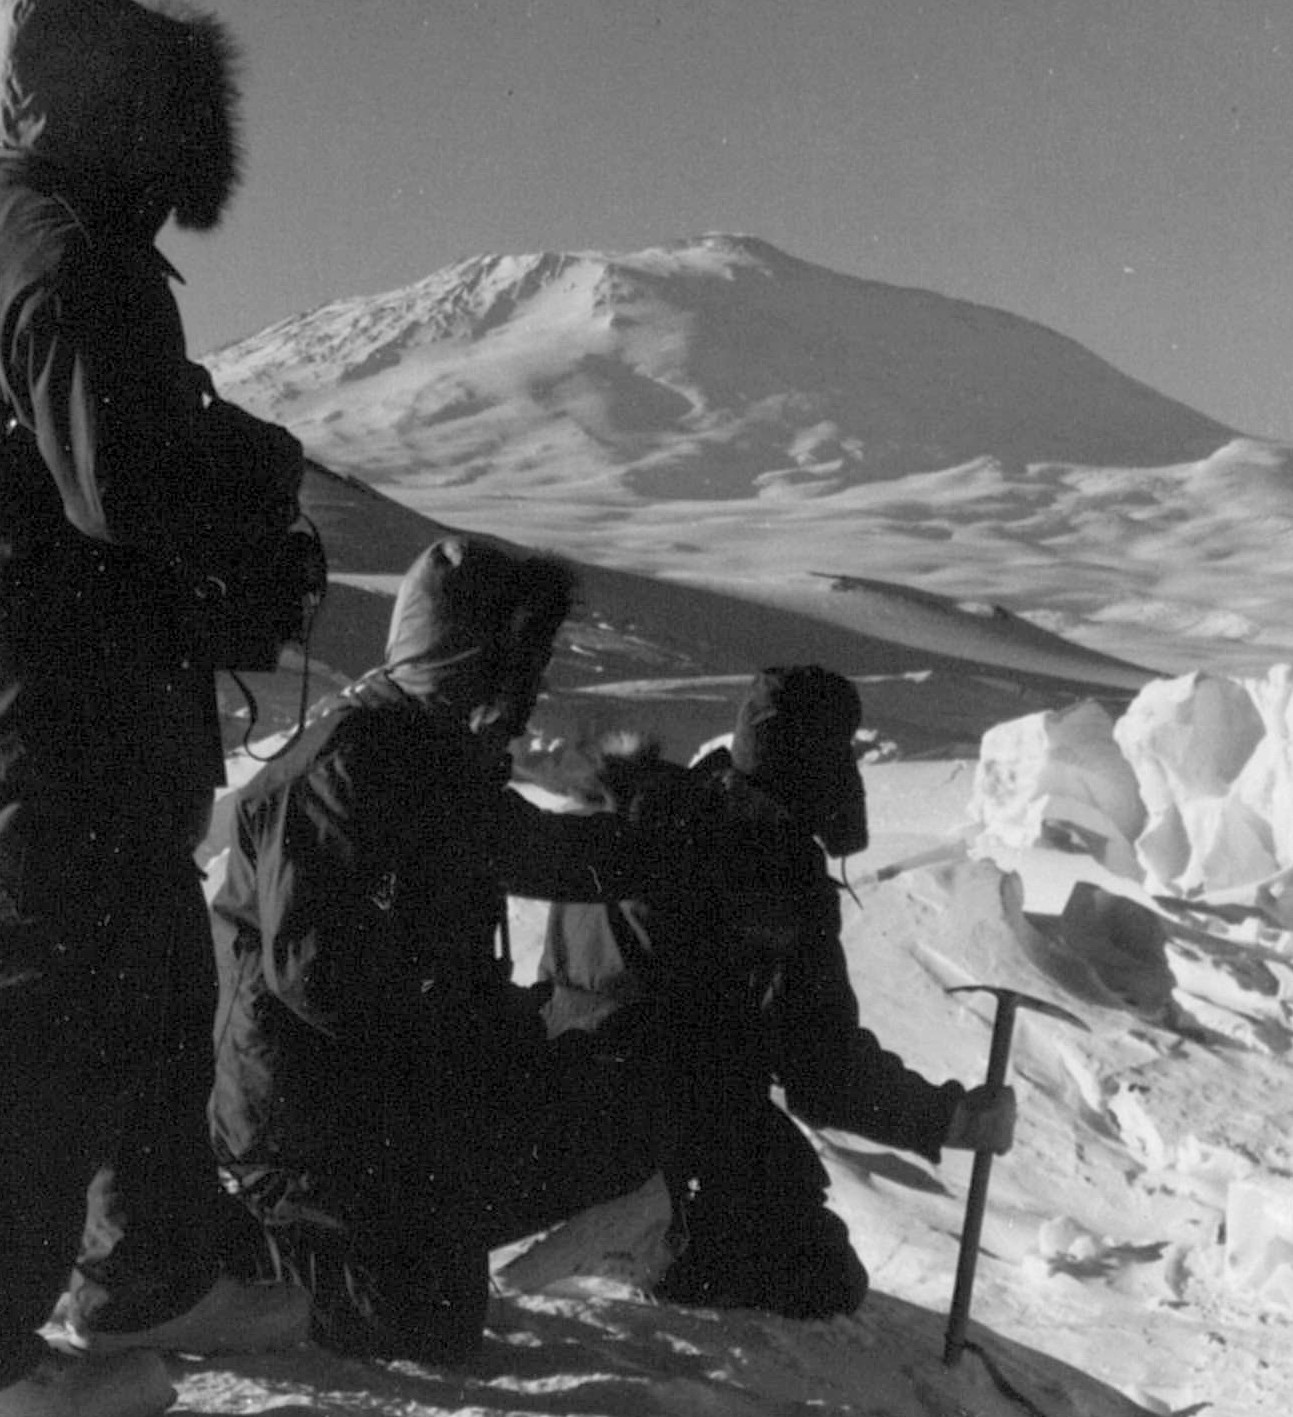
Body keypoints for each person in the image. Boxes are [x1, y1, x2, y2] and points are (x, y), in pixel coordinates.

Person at [0, 0, 313, 1417]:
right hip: (59, 704)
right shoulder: (56, 242)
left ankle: (152, 1277)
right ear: (110, 104)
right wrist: (254, 490)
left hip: (26, 692)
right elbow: (128, 475)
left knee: (148, 987)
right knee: (34, 1001)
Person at [212, 542, 878, 1363]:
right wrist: (474, 1046)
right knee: (425, 1321)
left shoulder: (426, 757)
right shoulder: (351, 767)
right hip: (308, 1126)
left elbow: (545, 854)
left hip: (380, 1100)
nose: (530, 701)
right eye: (522, 670)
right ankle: (218, 1252)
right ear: (468, 662)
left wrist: (681, 847)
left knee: (623, 1096)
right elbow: (321, 983)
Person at [549, 668, 1014, 1318]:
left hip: (555, 1098)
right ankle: (659, 1232)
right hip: (668, 1111)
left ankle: (628, 1207)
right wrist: (949, 1119)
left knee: (761, 1155)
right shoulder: (770, 867)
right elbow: (822, 1071)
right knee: (822, 1276)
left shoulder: (637, 810)